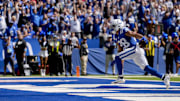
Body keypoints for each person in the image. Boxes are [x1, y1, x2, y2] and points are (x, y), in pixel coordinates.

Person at [110, 19, 170, 89]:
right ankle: (163, 77)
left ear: (119, 25)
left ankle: (120, 77)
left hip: (135, 48)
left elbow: (134, 34)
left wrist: (143, 38)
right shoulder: (114, 36)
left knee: (118, 57)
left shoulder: (123, 30)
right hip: (133, 51)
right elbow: (120, 48)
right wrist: (119, 60)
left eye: (114, 26)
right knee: (146, 67)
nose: (112, 28)